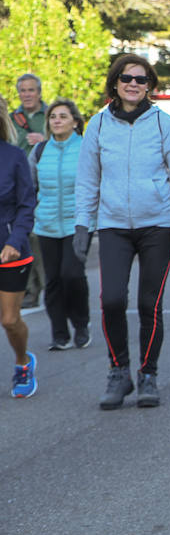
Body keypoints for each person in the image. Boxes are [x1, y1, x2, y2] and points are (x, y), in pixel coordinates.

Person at [75, 54, 170, 411]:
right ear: (115, 82)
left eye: (141, 80)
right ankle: (119, 371)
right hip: (113, 225)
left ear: (149, 86)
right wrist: (83, 223)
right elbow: (87, 179)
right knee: (111, 299)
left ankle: (148, 374)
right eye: (127, 78)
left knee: (149, 303)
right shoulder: (97, 124)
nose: (133, 84)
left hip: (157, 224)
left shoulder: (163, 123)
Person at [29, 100, 90, 351]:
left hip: (78, 223)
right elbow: (30, 186)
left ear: (75, 122)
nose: (56, 120)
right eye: (53, 116)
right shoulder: (40, 151)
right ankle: (59, 334)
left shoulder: (87, 148)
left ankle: (81, 323)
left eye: (63, 116)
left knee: (72, 275)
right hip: (46, 224)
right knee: (52, 280)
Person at [0, 109, 37, 397]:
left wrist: (15, 240)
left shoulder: (14, 157)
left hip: (11, 251)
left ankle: (23, 362)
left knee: (10, 320)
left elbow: (27, 204)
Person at [11, 74, 46, 308]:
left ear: (39, 92)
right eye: (23, 90)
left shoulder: (50, 115)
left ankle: (46, 286)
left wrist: (44, 139)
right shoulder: (12, 118)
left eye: (31, 90)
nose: (27, 94)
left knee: (39, 238)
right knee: (23, 236)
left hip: (44, 184)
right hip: (17, 186)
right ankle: (30, 290)